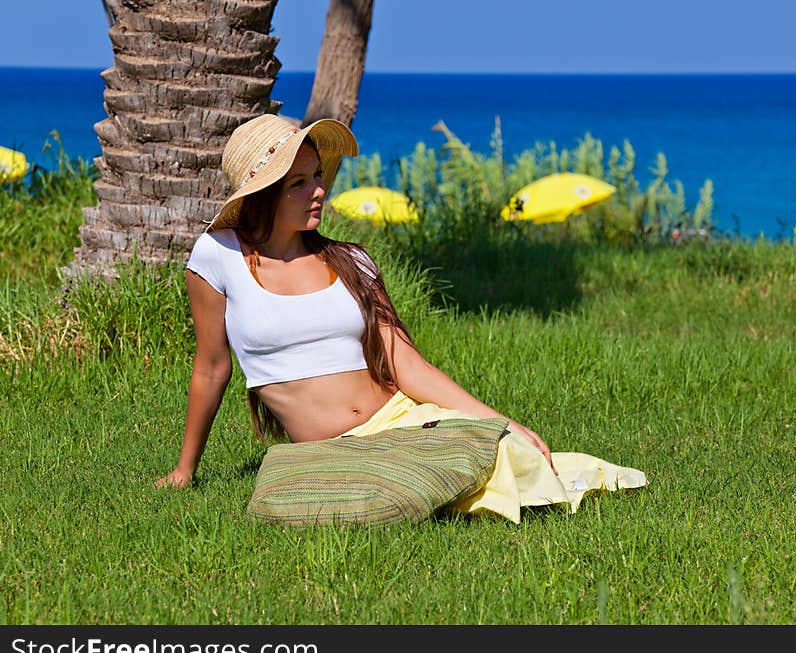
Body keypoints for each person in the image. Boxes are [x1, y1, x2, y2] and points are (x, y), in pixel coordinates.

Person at [154, 113, 646, 523]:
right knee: (426, 485)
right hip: (331, 451)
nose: (318, 191)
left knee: (502, 457)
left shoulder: (351, 262)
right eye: (299, 183)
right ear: (263, 193)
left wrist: (503, 421)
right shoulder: (217, 255)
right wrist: (185, 470)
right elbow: (212, 367)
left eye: (319, 176)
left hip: (400, 421)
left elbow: (406, 364)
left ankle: (490, 469)